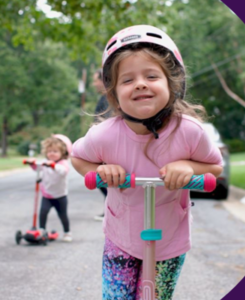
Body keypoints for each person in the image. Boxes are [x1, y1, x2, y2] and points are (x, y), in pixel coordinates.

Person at [71, 25, 223, 299]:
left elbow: (215, 167)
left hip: (170, 238)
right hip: (121, 237)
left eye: (151, 76)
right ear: (113, 93)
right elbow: (78, 157)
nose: (140, 83)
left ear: (172, 83)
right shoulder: (104, 135)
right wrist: (100, 170)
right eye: (127, 80)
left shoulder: (190, 132)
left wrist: (189, 167)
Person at [29, 134, 73, 242]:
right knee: (43, 212)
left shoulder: (63, 163)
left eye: (55, 151)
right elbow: (37, 168)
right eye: (49, 151)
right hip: (47, 194)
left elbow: (63, 171)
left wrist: (53, 165)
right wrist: (32, 163)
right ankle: (42, 230)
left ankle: (67, 232)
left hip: (60, 195)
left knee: (62, 215)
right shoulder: (45, 162)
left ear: (62, 153)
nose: (52, 154)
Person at [92, 69, 110, 221]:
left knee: (103, 179)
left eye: (96, 80)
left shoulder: (109, 99)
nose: (94, 84)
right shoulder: (104, 99)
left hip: (106, 148)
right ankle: (109, 208)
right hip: (100, 146)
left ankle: (111, 209)